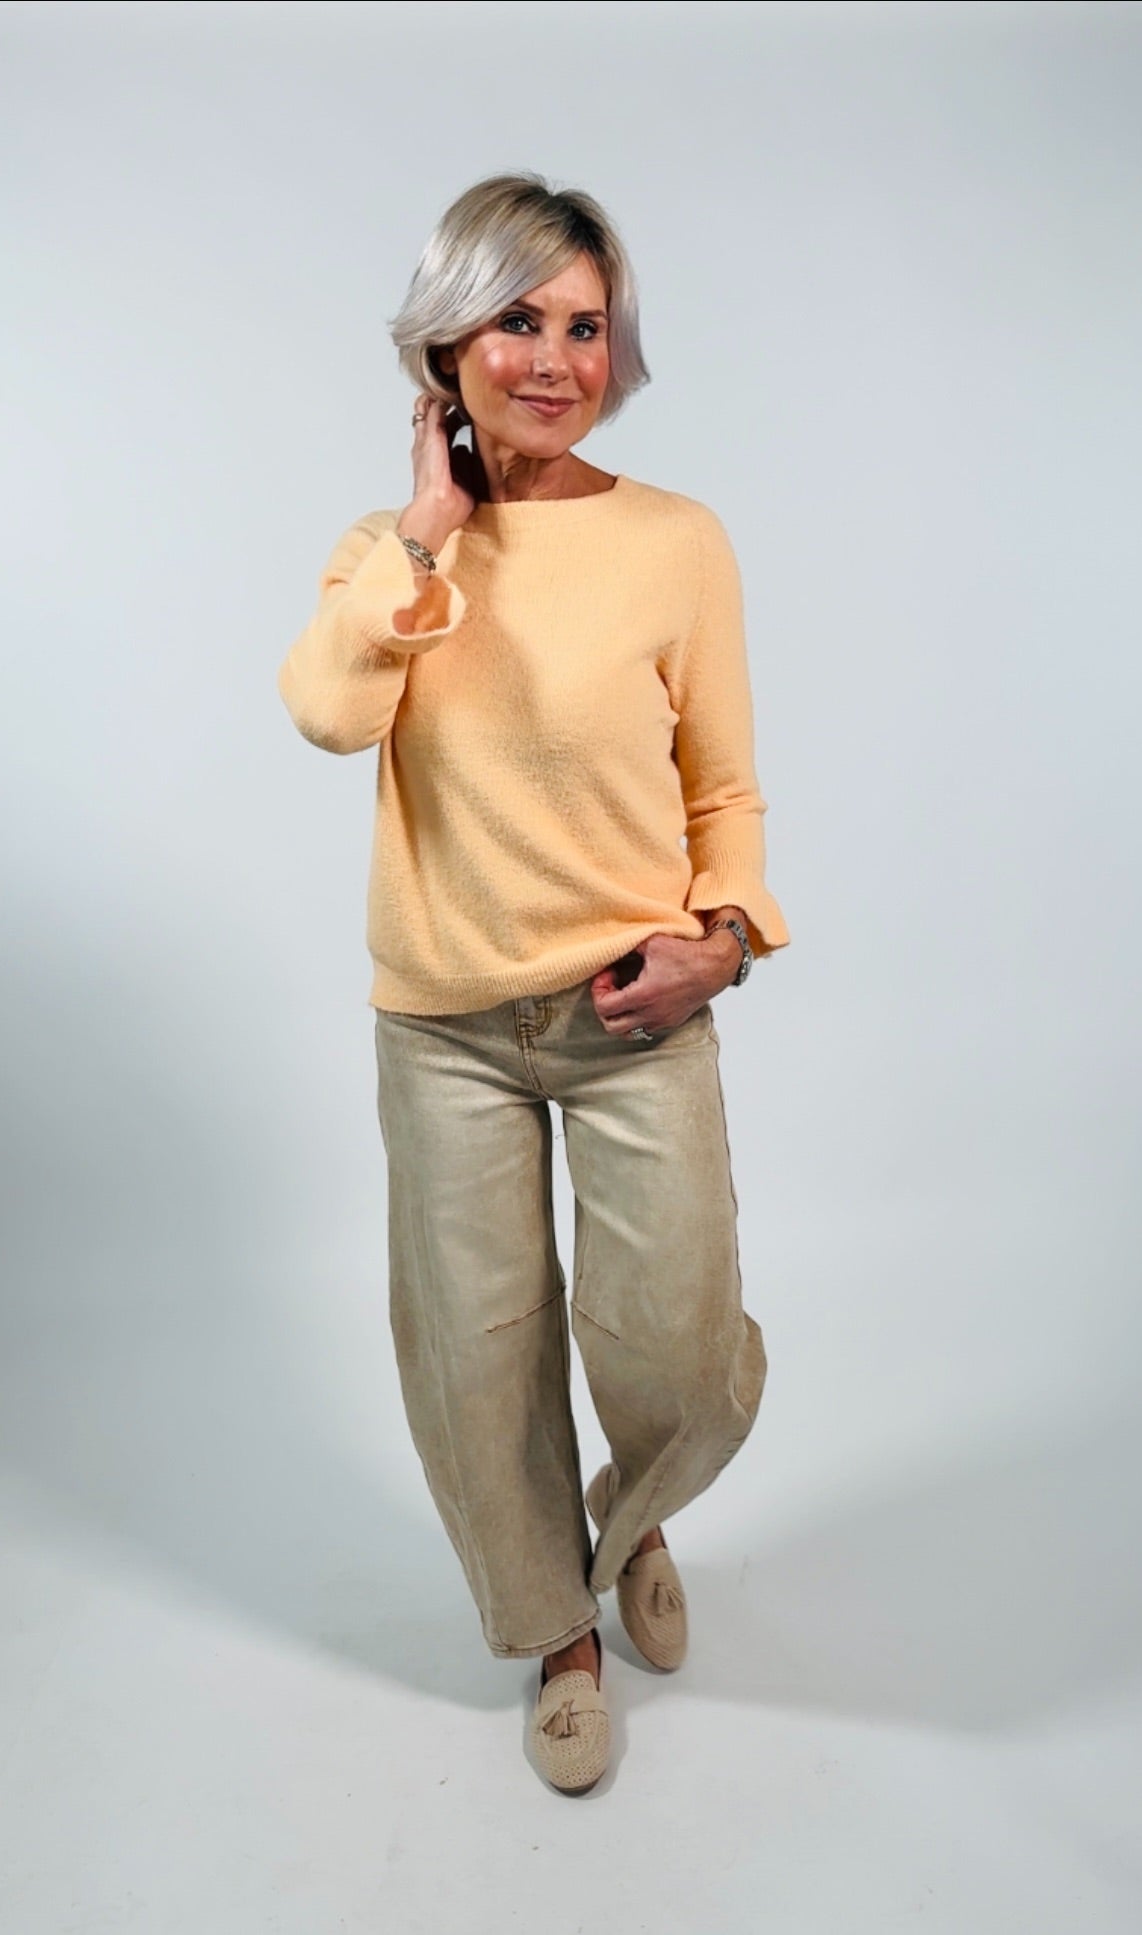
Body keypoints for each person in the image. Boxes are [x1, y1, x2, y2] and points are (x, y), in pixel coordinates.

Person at [277, 171, 790, 1794]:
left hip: (635, 1012)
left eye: (585, 326)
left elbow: (724, 792)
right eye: (518, 320)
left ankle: (630, 1520)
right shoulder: (385, 557)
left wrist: (725, 939)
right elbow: (328, 715)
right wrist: (429, 534)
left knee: (675, 1349)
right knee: (478, 1360)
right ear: (448, 344)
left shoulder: (675, 541)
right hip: (444, 1031)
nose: (558, 359)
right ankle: (560, 1633)